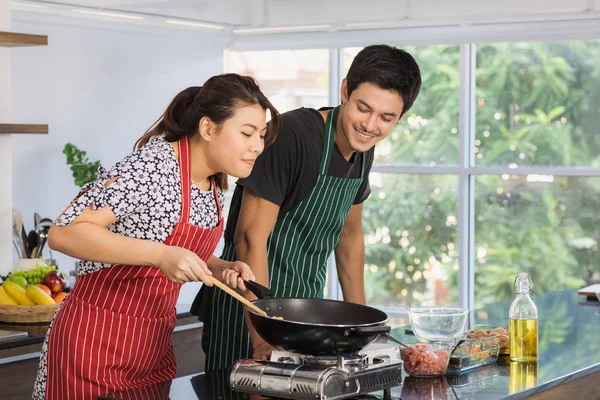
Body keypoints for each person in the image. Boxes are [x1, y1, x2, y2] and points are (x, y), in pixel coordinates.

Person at [32, 73, 281, 400]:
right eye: (247, 133)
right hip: (94, 346)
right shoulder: (154, 165)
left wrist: (218, 267)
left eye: (261, 135)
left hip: (151, 349)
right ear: (208, 128)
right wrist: (160, 256)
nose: (257, 146)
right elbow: (64, 232)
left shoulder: (213, 179)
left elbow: (168, 239)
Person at [193, 45, 422, 371]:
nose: (370, 125)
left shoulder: (362, 151)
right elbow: (249, 239)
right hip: (249, 310)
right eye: (363, 108)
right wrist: (263, 337)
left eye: (386, 118)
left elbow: (349, 235)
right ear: (345, 90)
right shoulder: (293, 136)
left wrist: (364, 330)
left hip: (305, 316)